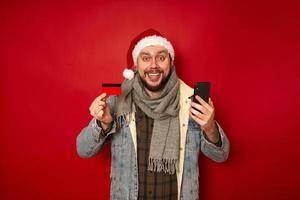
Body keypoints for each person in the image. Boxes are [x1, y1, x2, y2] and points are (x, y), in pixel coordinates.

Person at [76, 29, 230, 200]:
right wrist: (103, 125)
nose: (154, 65)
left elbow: (221, 156)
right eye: (146, 58)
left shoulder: (192, 101)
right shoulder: (117, 102)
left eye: (161, 57)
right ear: (136, 65)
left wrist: (210, 128)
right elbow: (83, 150)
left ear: (171, 62)